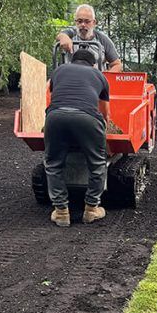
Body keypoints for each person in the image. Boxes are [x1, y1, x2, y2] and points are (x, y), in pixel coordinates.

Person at [44, 48, 110, 227]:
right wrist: (104, 127)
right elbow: (104, 111)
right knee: (97, 164)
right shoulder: (99, 75)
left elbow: (54, 95)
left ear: (72, 61)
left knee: (53, 164)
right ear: (94, 64)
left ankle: (61, 212)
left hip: (55, 117)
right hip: (87, 118)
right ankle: (91, 209)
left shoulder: (59, 70)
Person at [56, 4, 124, 72]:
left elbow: (117, 65)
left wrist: (104, 76)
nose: (83, 25)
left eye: (87, 21)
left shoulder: (102, 39)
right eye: (79, 21)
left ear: (94, 22)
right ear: (75, 22)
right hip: (71, 77)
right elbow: (61, 35)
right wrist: (64, 38)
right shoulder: (71, 33)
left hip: (95, 77)